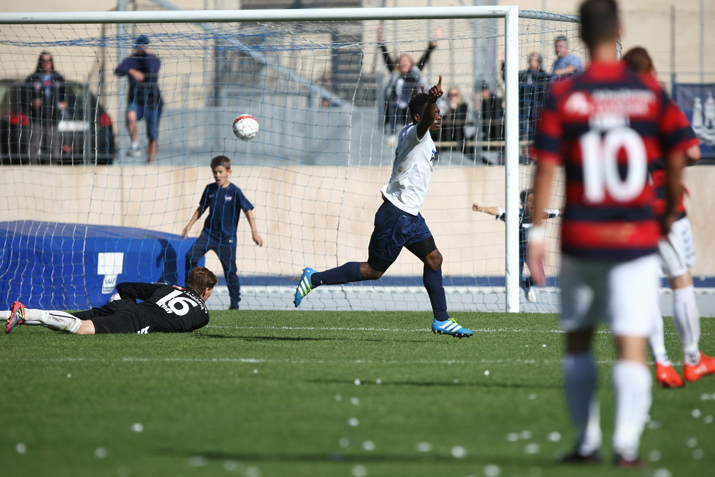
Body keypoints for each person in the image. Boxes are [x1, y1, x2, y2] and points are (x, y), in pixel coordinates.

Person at [528, 0, 689, 467]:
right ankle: (627, 447)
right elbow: (680, 148)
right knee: (630, 342)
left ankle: (586, 443)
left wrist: (536, 235)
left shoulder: (566, 94)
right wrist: (670, 206)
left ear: (578, 33)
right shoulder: (648, 91)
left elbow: (546, 167)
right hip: (634, 238)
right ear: (618, 29)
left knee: (578, 341)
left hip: (581, 239)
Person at [294, 76, 473, 339]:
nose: (438, 117)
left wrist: (429, 101)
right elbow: (423, 124)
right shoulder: (416, 134)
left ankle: (442, 320)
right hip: (397, 215)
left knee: (434, 260)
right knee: (373, 271)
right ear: (417, 117)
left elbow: (423, 120)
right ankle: (314, 278)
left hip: (411, 215)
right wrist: (432, 100)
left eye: (438, 113)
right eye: (434, 114)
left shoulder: (415, 135)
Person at [622, 46, 715, 388]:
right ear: (652, 71)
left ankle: (661, 362)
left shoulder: (612, 111)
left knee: (645, 287)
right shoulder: (659, 104)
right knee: (680, 280)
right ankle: (692, 359)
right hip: (663, 208)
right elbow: (691, 150)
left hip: (627, 212)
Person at [3, 267, 217, 335]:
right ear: (206, 290)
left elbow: (125, 287)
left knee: (65, 321)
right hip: (137, 319)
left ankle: (12, 314)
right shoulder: (203, 316)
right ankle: (25, 312)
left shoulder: (169, 288)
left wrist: (124, 306)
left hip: (126, 306)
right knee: (82, 329)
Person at [182, 155, 263, 310]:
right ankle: (191, 293)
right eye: (215, 172)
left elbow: (248, 211)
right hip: (208, 235)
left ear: (228, 171)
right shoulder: (210, 189)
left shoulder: (235, 191)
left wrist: (255, 232)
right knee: (190, 256)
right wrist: (189, 225)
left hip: (227, 239)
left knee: (230, 270)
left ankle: (234, 302)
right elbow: (201, 208)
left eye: (220, 172)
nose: (217, 175)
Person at [472, 189, 561, 302]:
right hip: (516, 253)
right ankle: (517, 295)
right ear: (523, 203)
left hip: (531, 252)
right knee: (515, 279)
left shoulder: (541, 214)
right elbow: (497, 210)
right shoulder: (515, 214)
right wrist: (480, 208)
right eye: (529, 200)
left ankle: (527, 285)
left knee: (539, 276)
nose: (533, 203)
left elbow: (557, 212)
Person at [378, 22, 440, 144]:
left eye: (406, 60)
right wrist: (380, 39)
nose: (404, 62)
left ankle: (413, 135)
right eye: (401, 61)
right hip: (397, 106)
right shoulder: (395, 73)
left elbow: (425, 56)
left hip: (410, 105)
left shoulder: (415, 73)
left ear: (410, 63)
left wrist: (434, 41)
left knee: (414, 115)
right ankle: (392, 135)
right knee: (393, 109)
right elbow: (386, 57)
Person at [115, 35, 162, 164]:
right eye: (139, 46)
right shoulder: (131, 60)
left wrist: (147, 55)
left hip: (153, 101)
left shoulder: (154, 59)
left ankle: (150, 162)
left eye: (144, 46)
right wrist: (132, 71)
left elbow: (152, 71)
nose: (141, 49)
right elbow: (118, 70)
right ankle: (134, 145)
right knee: (130, 116)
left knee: (152, 135)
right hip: (136, 99)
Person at [25, 51, 67, 165]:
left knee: (53, 145)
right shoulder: (32, 78)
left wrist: (65, 103)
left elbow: (67, 94)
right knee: (34, 144)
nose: (46, 63)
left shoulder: (58, 78)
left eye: (48, 61)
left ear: (52, 63)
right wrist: (32, 102)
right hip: (37, 118)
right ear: (40, 62)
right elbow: (24, 96)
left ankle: (52, 168)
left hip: (53, 118)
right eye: (43, 61)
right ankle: (32, 167)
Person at [519, 53, 551, 142]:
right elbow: (506, 77)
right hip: (525, 110)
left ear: (539, 62)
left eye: (534, 60)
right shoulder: (524, 75)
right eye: (530, 60)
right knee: (525, 132)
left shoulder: (544, 76)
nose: (532, 62)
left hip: (538, 110)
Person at [437, 86, 469, 154]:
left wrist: (454, 108)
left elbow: (461, 119)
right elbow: (442, 120)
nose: (452, 97)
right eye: (450, 95)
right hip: (445, 134)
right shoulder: (443, 106)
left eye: (455, 95)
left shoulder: (463, 105)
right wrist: (450, 109)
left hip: (458, 134)